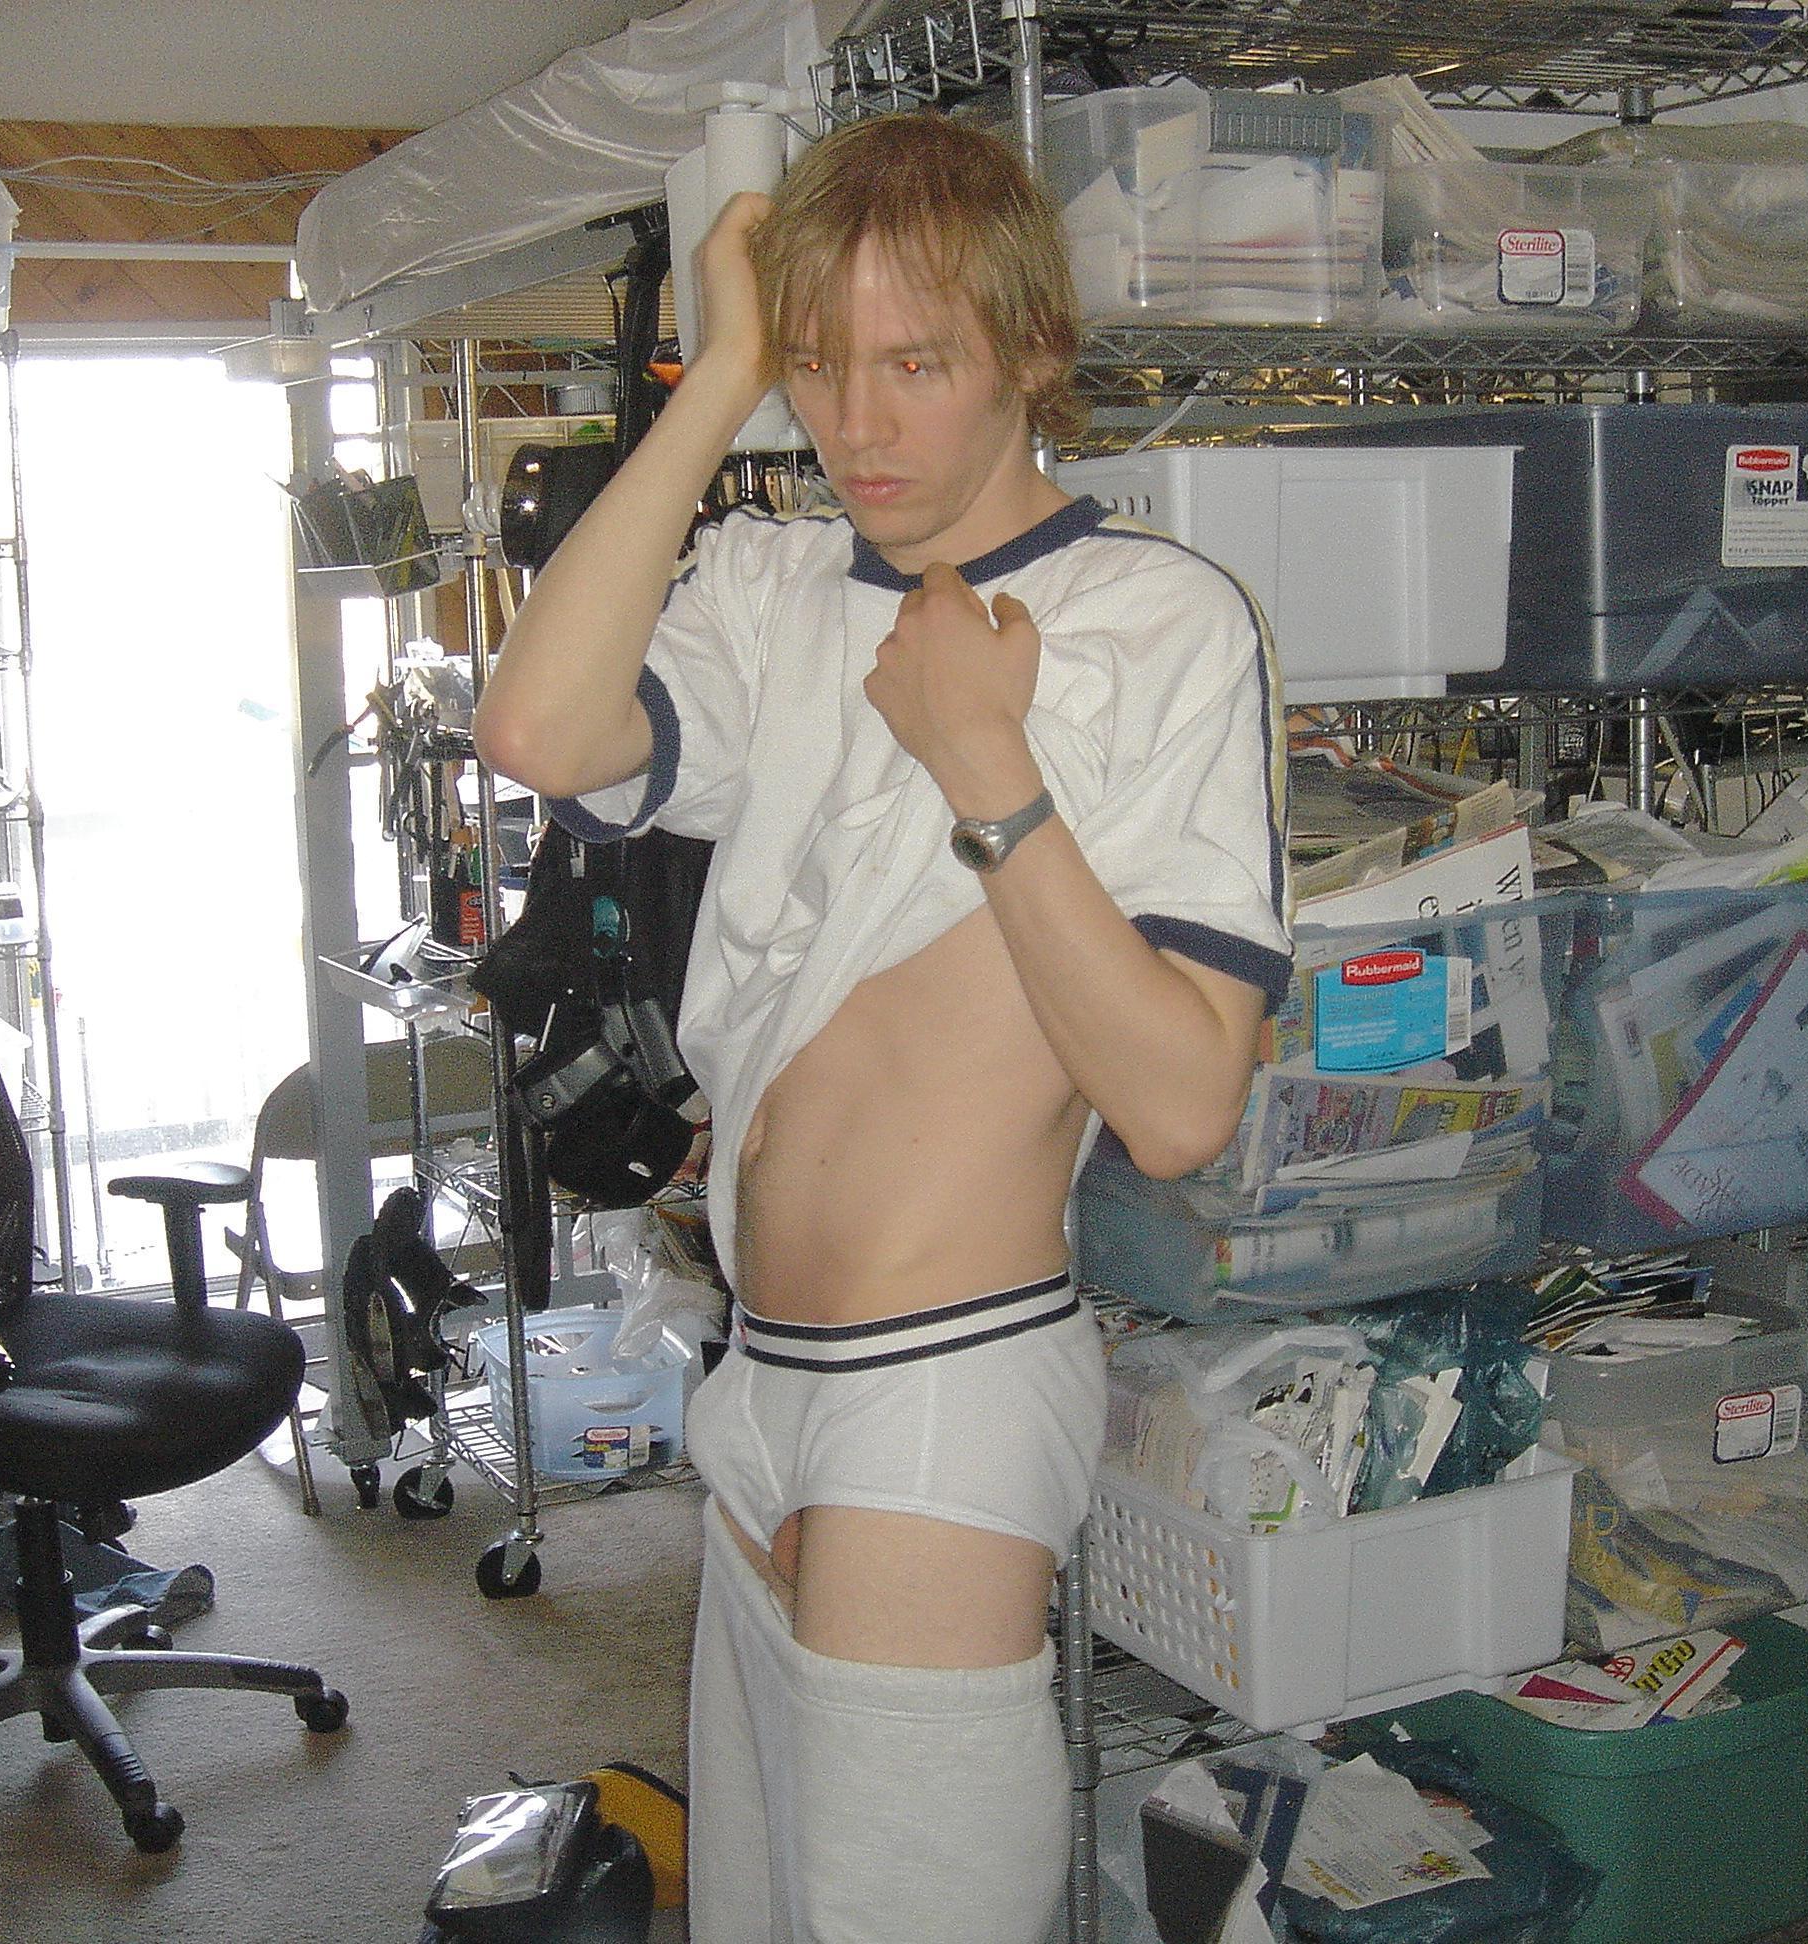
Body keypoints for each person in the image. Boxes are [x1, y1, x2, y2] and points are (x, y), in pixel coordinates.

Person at [473, 110, 1290, 1943]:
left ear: (1032, 352)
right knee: (766, 1909)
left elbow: (1179, 1108)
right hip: (761, 1370)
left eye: (916, 363)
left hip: (944, 1379)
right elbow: (536, 732)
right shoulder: (774, 586)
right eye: (824, 367)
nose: (861, 425)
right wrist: (718, 380)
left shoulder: (1156, 621)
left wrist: (988, 770)